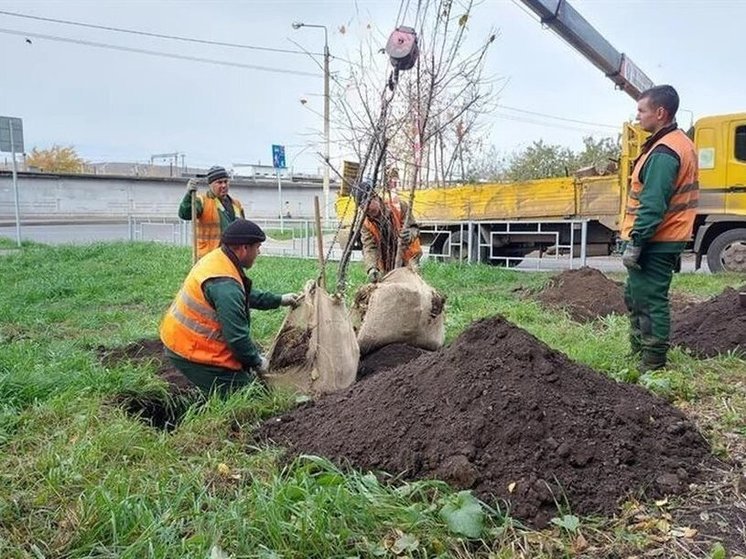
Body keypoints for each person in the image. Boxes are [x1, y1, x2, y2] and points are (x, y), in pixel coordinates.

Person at [159, 218, 299, 397]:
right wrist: (257, 361)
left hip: (181, 339)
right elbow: (236, 338)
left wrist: (279, 300)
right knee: (253, 397)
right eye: (257, 247)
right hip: (192, 350)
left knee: (239, 382)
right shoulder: (225, 286)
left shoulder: (220, 259)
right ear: (243, 248)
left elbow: (244, 294)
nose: (259, 252)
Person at [620, 84, 699, 373]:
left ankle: (652, 363)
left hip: (656, 241)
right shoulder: (675, 143)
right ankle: (640, 350)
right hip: (662, 238)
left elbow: (653, 203)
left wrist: (637, 241)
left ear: (660, 113)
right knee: (636, 295)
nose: (637, 116)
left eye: (642, 110)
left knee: (650, 300)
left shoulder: (665, 152)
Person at [179, 165, 245, 259]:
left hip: (232, 257)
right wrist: (189, 195)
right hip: (208, 258)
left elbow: (244, 230)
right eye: (219, 182)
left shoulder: (236, 204)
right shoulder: (202, 201)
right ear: (210, 185)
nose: (223, 185)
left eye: (226, 182)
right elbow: (185, 214)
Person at [360, 189, 422, 283]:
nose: (368, 211)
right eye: (363, 209)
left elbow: (415, 229)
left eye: (368, 206)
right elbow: (369, 247)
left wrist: (410, 234)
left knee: (412, 286)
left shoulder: (399, 206)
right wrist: (372, 267)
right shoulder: (365, 223)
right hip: (387, 262)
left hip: (409, 257)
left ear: (376, 198)